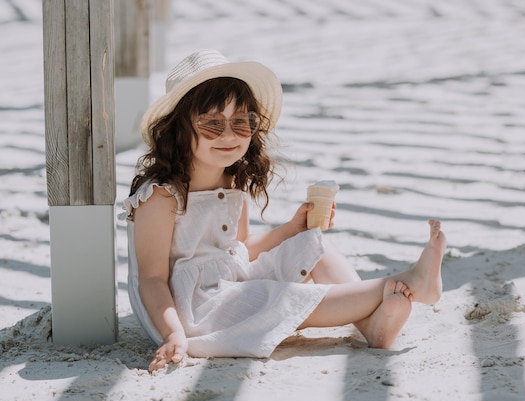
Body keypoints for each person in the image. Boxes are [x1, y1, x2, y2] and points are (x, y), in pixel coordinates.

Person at [120, 50, 446, 373]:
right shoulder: (161, 196)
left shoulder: (231, 181)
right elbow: (151, 278)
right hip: (192, 310)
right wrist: (172, 333)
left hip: (230, 283)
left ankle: (371, 325)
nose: (229, 135)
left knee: (314, 243)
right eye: (212, 124)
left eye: (241, 122)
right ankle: (407, 282)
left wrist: (293, 229)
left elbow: (241, 251)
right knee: (278, 297)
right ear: (179, 129)